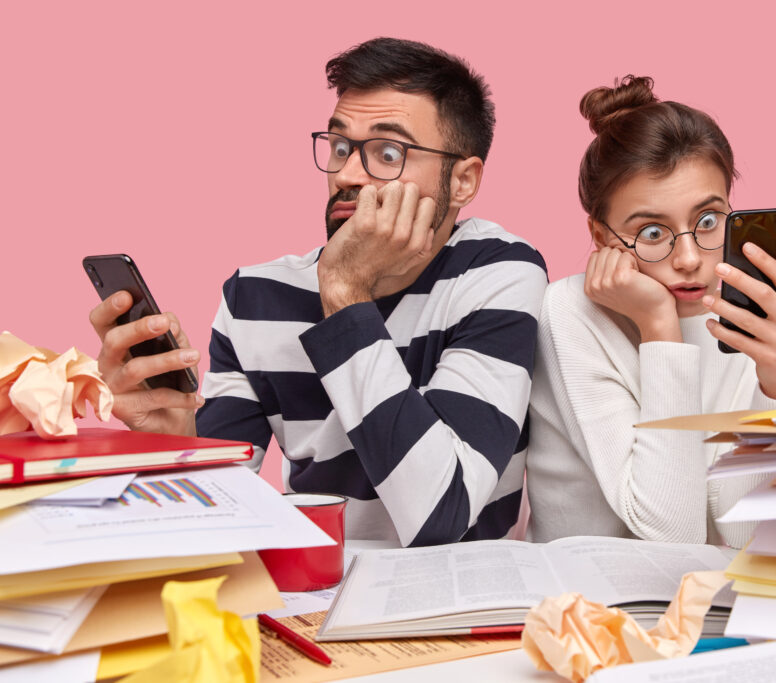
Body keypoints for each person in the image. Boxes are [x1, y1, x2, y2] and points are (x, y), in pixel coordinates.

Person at [88, 38, 548, 547]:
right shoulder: (255, 298)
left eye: (388, 153)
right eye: (341, 146)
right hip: (311, 594)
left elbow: (442, 513)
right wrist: (173, 441)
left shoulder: (498, 273)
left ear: (463, 181)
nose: (347, 175)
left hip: (461, 606)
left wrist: (345, 294)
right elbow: (213, 526)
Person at [526, 76, 776, 548]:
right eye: (653, 233)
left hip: (697, 604)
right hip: (582, 601)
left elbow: (748, 534)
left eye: (707, 221)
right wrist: (659, 326)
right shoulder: (569, 310)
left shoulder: (743, 311)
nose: (688, 259)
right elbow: (669, 534)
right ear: (601, 237)